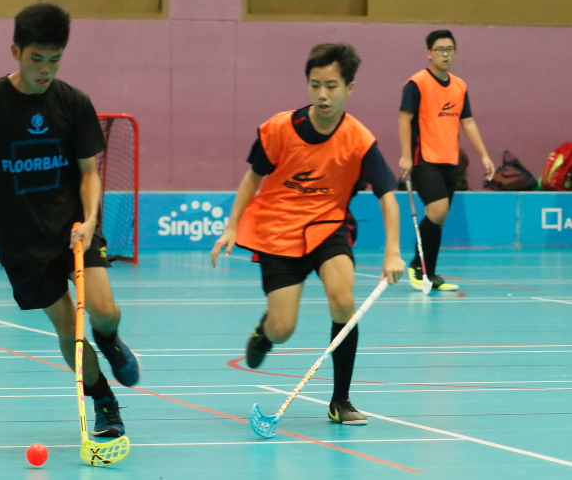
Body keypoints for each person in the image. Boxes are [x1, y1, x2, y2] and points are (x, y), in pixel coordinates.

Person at [0, 2, 139, 438]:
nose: (45, 69)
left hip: (74, 229)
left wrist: (90, 220)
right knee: (66, 326)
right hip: (21, 243)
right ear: (16, 50)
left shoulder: (73, 102)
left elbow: (90, 171)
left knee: (104, 311)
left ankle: (109, 340)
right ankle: (105, 402)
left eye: (54, 60)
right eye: (36, 58)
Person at [211, 44, 403, 425]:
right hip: (277, 231)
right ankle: (266, 331)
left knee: (343, 300)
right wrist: (232, 226)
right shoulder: (280, 129)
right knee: (283, 329)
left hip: (327, 227)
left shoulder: (359, 140)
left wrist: (393, 252)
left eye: (331, 86)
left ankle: (340, 401)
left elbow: (388, 198)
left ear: (350, 87)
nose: (322, 94)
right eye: (315, 85)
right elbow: (253, 178)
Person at [398, 29, 496, 291]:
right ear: (429, 53)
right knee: (437, 210)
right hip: (423, 158)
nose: (446, 54)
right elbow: (404, 118)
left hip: (450, 160)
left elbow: (468, 122)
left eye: (450, 50)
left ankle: (429, 273)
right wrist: (406, 155)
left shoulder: (459, 85)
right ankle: (418, 265)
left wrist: (484, 155)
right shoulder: (416, 83)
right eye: (440, 50)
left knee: (439, 218)